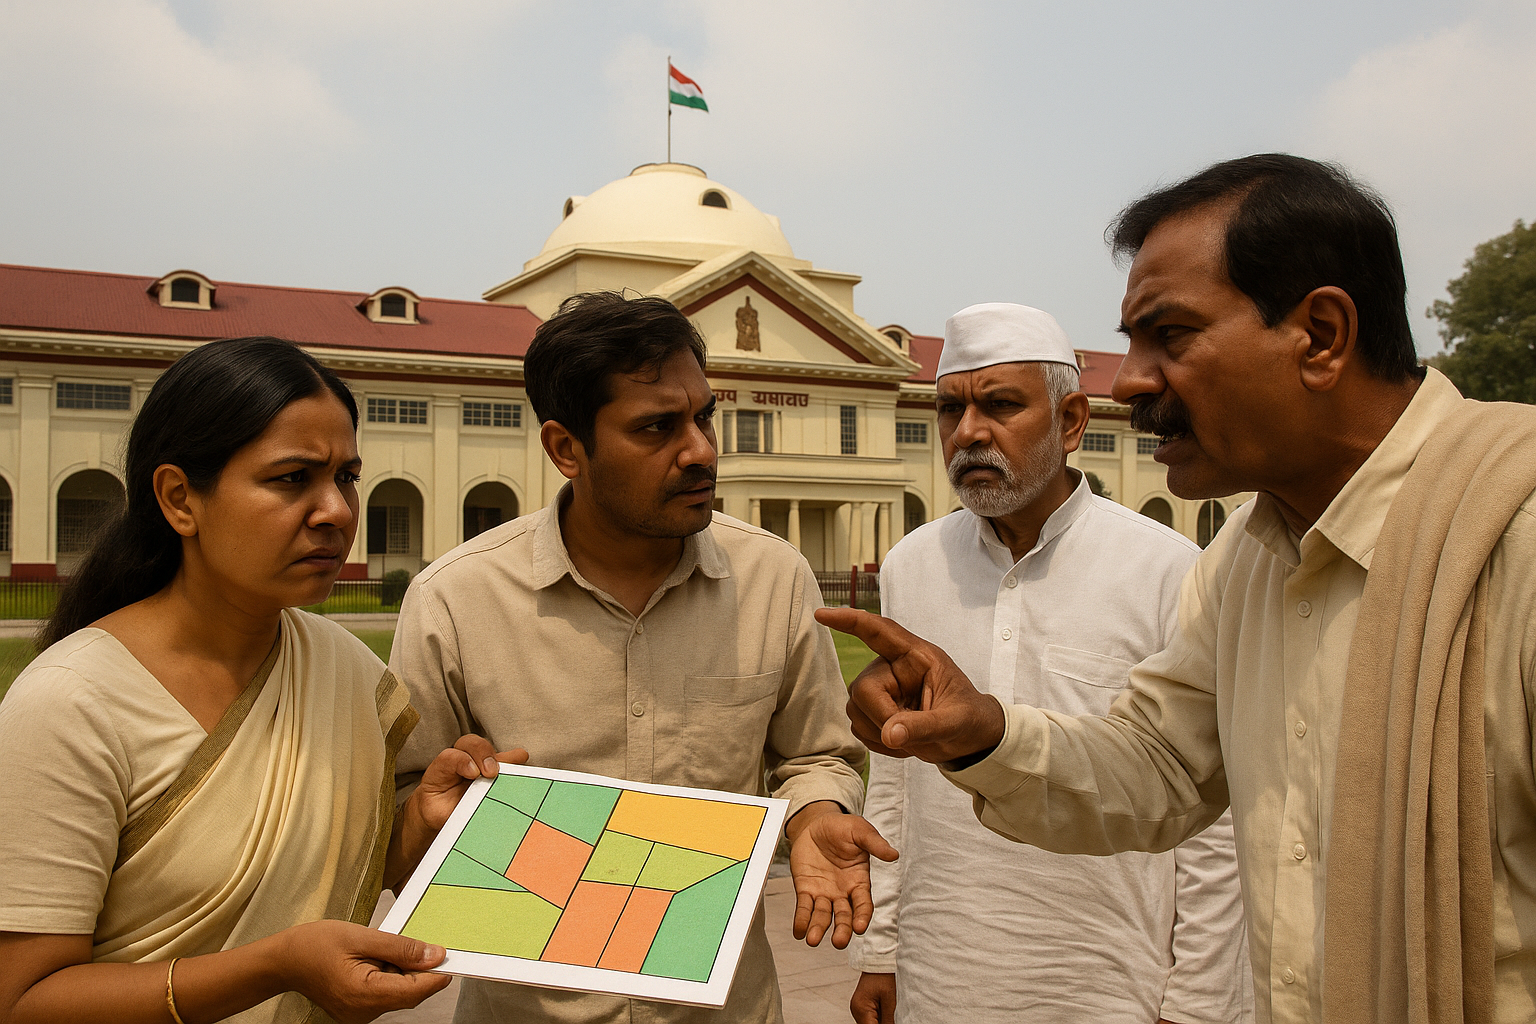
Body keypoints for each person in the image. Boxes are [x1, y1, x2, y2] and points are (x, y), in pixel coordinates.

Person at [821, 153, 1536, 1024]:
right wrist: (986, 735)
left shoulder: (1511, 540)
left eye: (1171, 336)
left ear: (1320, 335)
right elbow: (1158, 770)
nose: (1130, 381)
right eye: (1129, 341)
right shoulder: (1250, 561)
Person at [391, 292, 885, 1024]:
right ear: (566, 449)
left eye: (704, 416)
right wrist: (434, 820)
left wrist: (816, 815)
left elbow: (815, 754)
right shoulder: (456, 601)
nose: (701, 451)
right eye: (657, 427)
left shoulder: (772, 580)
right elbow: (403, 827)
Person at [0, 336, 517, 1024]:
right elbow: (24, 999)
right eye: (292, 478)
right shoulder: (70, 702)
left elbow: (353, 870)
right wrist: (273, 966)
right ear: (180, 498)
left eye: (346, 477)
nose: (335, 510)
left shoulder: (348, 672)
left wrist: (421, 821)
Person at [847, 302, 1251, 1024]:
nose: (969, 433)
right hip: (943, 969)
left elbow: (1212, 820)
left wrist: (1200, 1002)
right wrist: (882, 948)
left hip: (1111, 981)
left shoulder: (1166, 569)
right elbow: (897, 777)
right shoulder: (914, 565)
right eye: (949, 410)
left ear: (1071, 421)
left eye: (1001, 405)